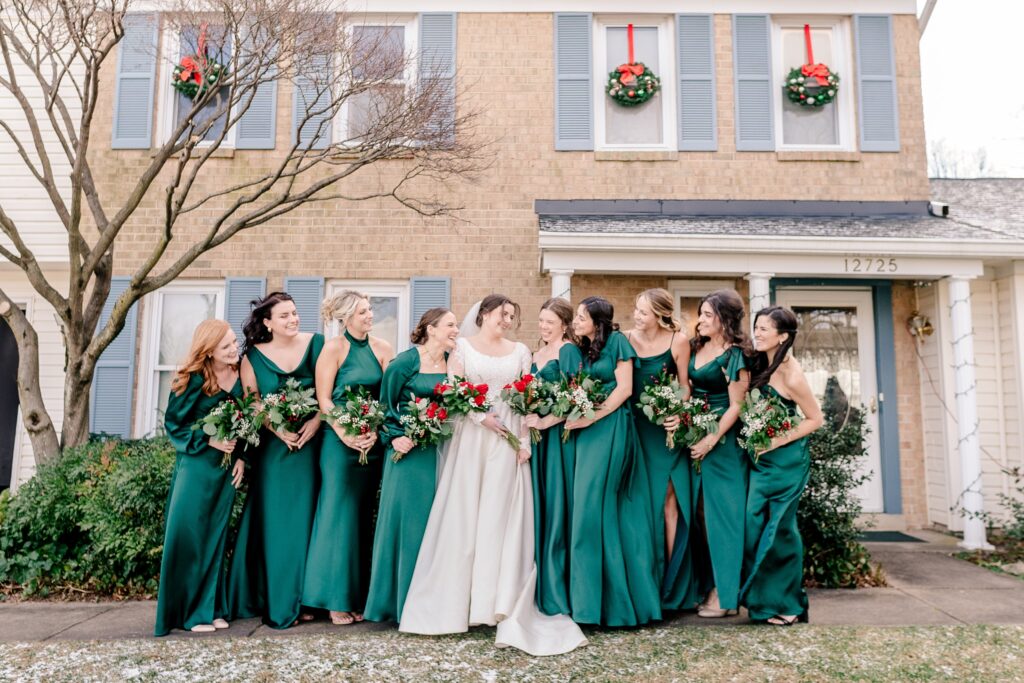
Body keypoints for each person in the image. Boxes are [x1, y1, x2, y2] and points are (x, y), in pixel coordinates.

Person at [399, 295, 586, 656]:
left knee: (501, 518)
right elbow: (454, 389)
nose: (507, 320)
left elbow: (525, 396)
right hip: (473, 439)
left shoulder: (520, 352)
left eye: (512, 316)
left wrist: (524, 441)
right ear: (484, 314)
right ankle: (461, 603)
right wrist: (479, 417)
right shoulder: (463, 348)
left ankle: (496, 602)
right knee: (467, 516)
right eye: (502, 314)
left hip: (508, 438)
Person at [227, 292, 323, 629]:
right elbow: (253, 404)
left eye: (295, 313)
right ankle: (283, 601)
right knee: (280, 526)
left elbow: (329, 392)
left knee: (311, 521)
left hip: (313, 446)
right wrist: (278, 429)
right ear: (267, 322)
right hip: (275, 451)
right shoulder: (252, 358)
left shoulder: (317, 344)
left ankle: (312, 600)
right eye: (284, 316)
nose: (293, 320)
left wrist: (316, 422)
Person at [564, 296, 661, 627]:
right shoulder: (582, 350)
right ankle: (591, 604)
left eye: (580, 317)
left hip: (610, 428)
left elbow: (624, 390)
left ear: (597, 321)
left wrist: (589, 418)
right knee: (590, 512)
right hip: (586, 433)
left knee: (591, 509)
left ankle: (609, 605)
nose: (575, 321)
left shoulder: (618, 342)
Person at [303, 291, 394, 625]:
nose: (369, 316)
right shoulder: (333, 349)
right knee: (337, 515)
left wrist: (374, 430)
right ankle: (332, 599)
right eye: (362, 312)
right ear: (346, 318)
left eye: (370, 310)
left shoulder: (383, 349)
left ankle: (356, 597)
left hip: (371, 443)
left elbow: (387, 397)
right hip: (338, 444)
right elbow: (324, 401)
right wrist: (344, 432)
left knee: (361, 516)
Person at [363, 308, 459, 623]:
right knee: (406, 524)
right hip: (406, 453)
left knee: (437, 524)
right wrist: (393, 437)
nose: (456, 330)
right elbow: (384, 406)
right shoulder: (404, 362)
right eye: (450, 325)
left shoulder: (453, 363)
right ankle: (397, 602)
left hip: (440, 449)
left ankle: (431, 601)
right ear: (431, 329)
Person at [155, 320, 245, 636]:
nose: (234, 349)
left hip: (225, 469)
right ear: (208, 352)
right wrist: (209, 440)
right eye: (226, 347)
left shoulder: (241, 375)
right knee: (189, 536)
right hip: (195, 466)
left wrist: (242, 458)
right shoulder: (192, 380)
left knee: (216, 537)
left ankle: (213, 608)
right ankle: (188, 613)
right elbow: (175, 425)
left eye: (235, 342)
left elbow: (248, 423)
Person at [741, 306, 823, 625]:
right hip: (760, 462)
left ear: (783, 336)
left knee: (780, 533)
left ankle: (788, 605)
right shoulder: (759, 360)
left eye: (764, 329)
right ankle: (762, 602)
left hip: (787, 463)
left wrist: (775, 441)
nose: (757, 333)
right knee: (753, 526)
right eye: (756, 327)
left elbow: (816, 419)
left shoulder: (793, 375)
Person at [625, 288, 696, 610]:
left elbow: (684, 386)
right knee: (641, 504)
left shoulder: (677, 341)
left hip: (665, 432)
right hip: (634, 429)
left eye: (643, 312)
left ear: (660, 315)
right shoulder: (625, 340)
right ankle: (646, 584)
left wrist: (675, 411)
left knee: (669, 502)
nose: (636, 317)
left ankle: (672, 587)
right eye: (636, 310)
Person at [687, 289, 750, 618]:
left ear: (725, 319)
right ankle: (710, 584)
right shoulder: (697, 346)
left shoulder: (734, 355)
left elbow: (737, 405)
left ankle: (725, 596)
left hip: (722, 443)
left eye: (708, 315)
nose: (701, 320)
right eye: (701, 313)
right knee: (699, 517)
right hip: (695, 434)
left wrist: (711, 440)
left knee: (721, 519)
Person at [524, 298, 582, 616]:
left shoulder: (568, 351)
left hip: (558, 439)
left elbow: (577, 396)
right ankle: (539, 583)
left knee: (559, 507)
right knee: (541, 507)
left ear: (564, 323)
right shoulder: (535, 355)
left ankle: (559, 588)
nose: (544, 326)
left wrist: (546, 421)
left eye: (550, 321)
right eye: (541, 320)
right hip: (537, 441)